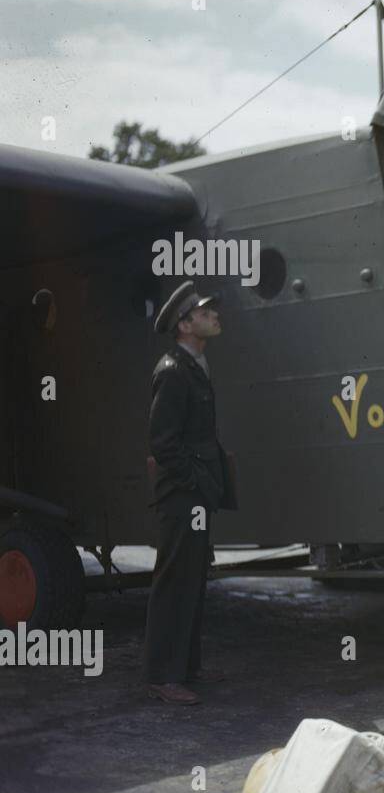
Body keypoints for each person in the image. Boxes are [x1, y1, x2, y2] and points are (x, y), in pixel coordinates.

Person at [143, 282, 235, 705]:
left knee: (194, 578)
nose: (214, 315)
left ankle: (188, 667)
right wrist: (195, 480)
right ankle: (163, 676)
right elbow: (163, 442)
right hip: (182, 494)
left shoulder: (195, 365)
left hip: (195, 492)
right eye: (204, 311)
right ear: (185, 324)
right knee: (174, 580)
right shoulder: (173, 370)